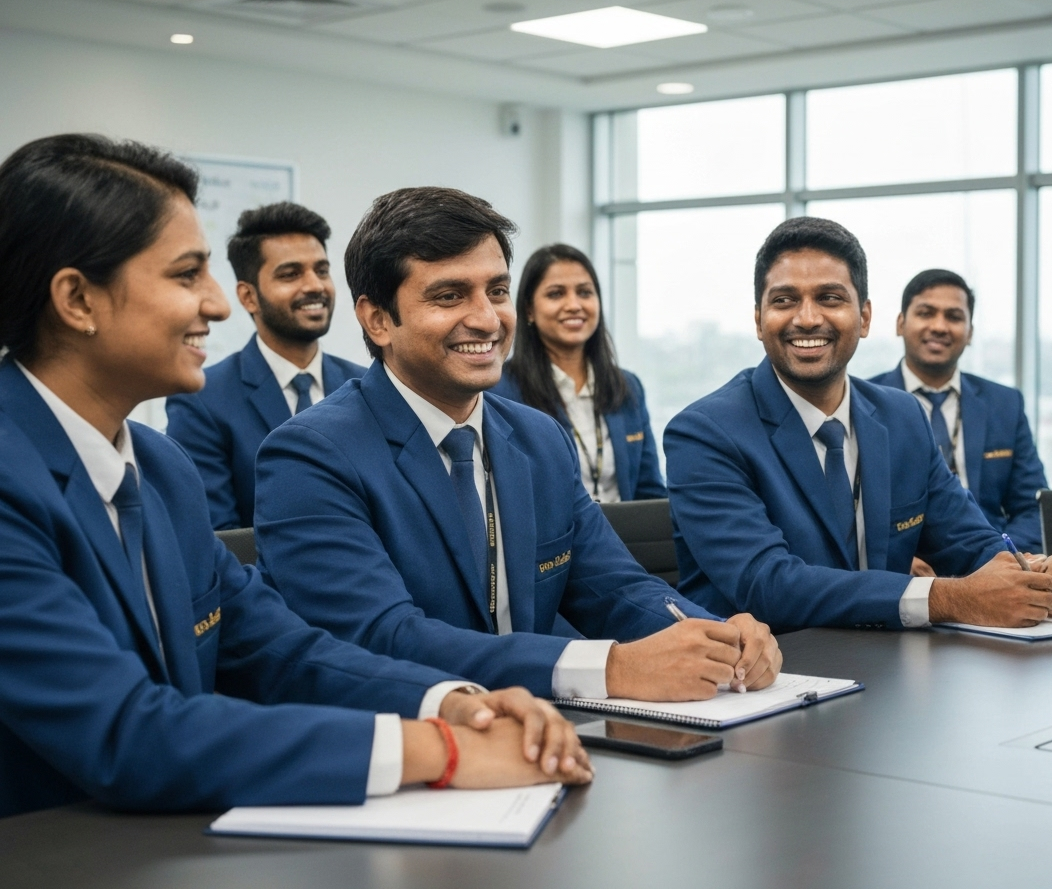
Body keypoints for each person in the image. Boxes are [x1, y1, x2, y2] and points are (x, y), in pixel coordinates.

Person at [0, 134, 590, 819]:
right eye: (187, 275)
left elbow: (279, 649)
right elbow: (127, 733)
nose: (220, 306)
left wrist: (456, 705)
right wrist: (436, 750)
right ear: (77, 299)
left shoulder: (159, 469)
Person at [253, 186, 782, 703]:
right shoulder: (309, 455)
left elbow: (616, 589)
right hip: (405, 749)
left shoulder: (538, 437)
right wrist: (611, 667)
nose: (487, 318)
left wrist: (719, 638)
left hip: (548, 736)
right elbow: (383, 639)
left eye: (498, 291)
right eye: (449, 295)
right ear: (377, 319)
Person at [664, 217, 1052, 633]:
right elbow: (768, 585)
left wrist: (1035, 577)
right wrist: (947, 598)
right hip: (770, 676)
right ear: (759, 320)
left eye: (829, 298)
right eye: (785, 300)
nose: (807, 319)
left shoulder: (902, 417)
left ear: (864, 317)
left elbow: (970, 542)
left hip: (894, 671)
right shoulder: (705, 433)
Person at [165, 202, 365, 529]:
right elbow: (217, 539)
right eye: (290, 274)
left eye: (322, 270)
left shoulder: (365, 387)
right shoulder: (201, 400)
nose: (315, 285)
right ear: (248, 297)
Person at [870, 269, 1048, 555]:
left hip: (991, 565)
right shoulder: (865, 402)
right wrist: (899, 560)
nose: (939, 327)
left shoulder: (1005, 404)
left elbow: (1032, 507)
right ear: (900, 323)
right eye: (926, 313)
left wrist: (999, 558)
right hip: (901, 573)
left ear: (970, 332)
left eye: (954, 317)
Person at [491, 244, 663, 502]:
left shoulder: (627, 386)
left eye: (585, 292)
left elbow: (650, 492)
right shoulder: (499, 391)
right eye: (556, 294)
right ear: (529, 310)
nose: (574, 305)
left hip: (628, 540)